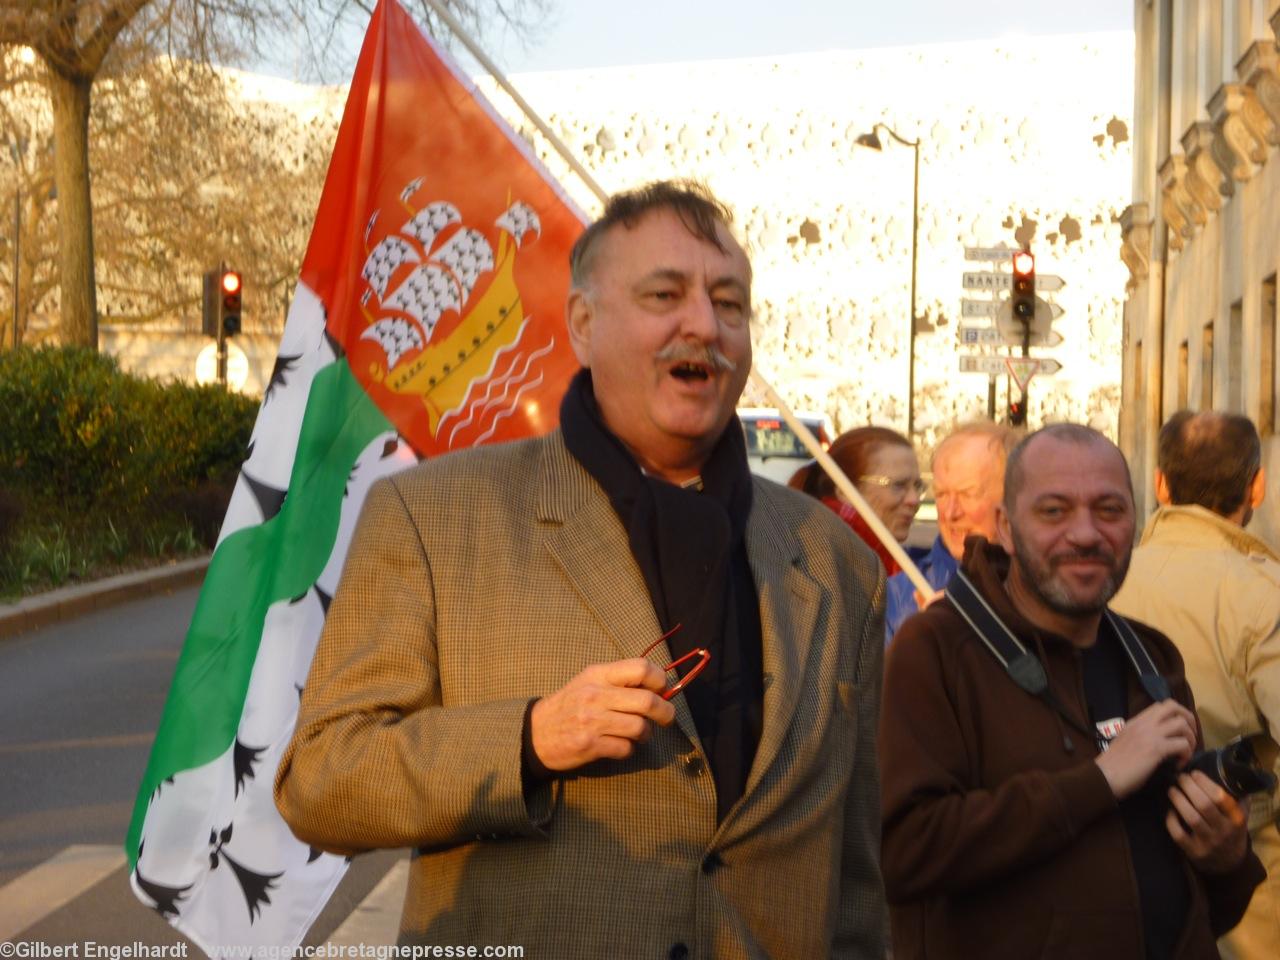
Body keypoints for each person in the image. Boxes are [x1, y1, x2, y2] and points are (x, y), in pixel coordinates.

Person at [274, 180, 888, 958]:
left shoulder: (837, 563)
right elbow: (320, 783)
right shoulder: (434, 517)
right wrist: (529, 739)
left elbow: (857, 889)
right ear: (584, 325)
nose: (704, 324)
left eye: (730, 304)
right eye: (665, 294)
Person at [879, 423, 1264, 960]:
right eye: (1054, 511)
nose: (1085, 534)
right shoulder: (935, 650)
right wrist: (1100, 780)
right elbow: (907, 853)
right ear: (1006, 529)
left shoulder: (1150, 657)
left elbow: (1193, 905)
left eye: (1108, 510)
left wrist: (1228, 858)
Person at [1111, 410, 1280, 960]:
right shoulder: (1263, 593)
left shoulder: (1104, 577)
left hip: (1115, 860)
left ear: (1160, 484)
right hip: (1244, 871)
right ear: (1256, 484)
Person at [883, 420, 1018, 642]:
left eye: (967, 494)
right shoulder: (899, 596)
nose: (950, 512)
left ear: (1013, 498)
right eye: (942, 494)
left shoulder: (1045, 587)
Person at [788, 426, 923, 576]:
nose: (914, 499)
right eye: (898, 485)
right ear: (845, 491)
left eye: (917, 486)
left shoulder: (878, 558)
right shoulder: (822, 561)